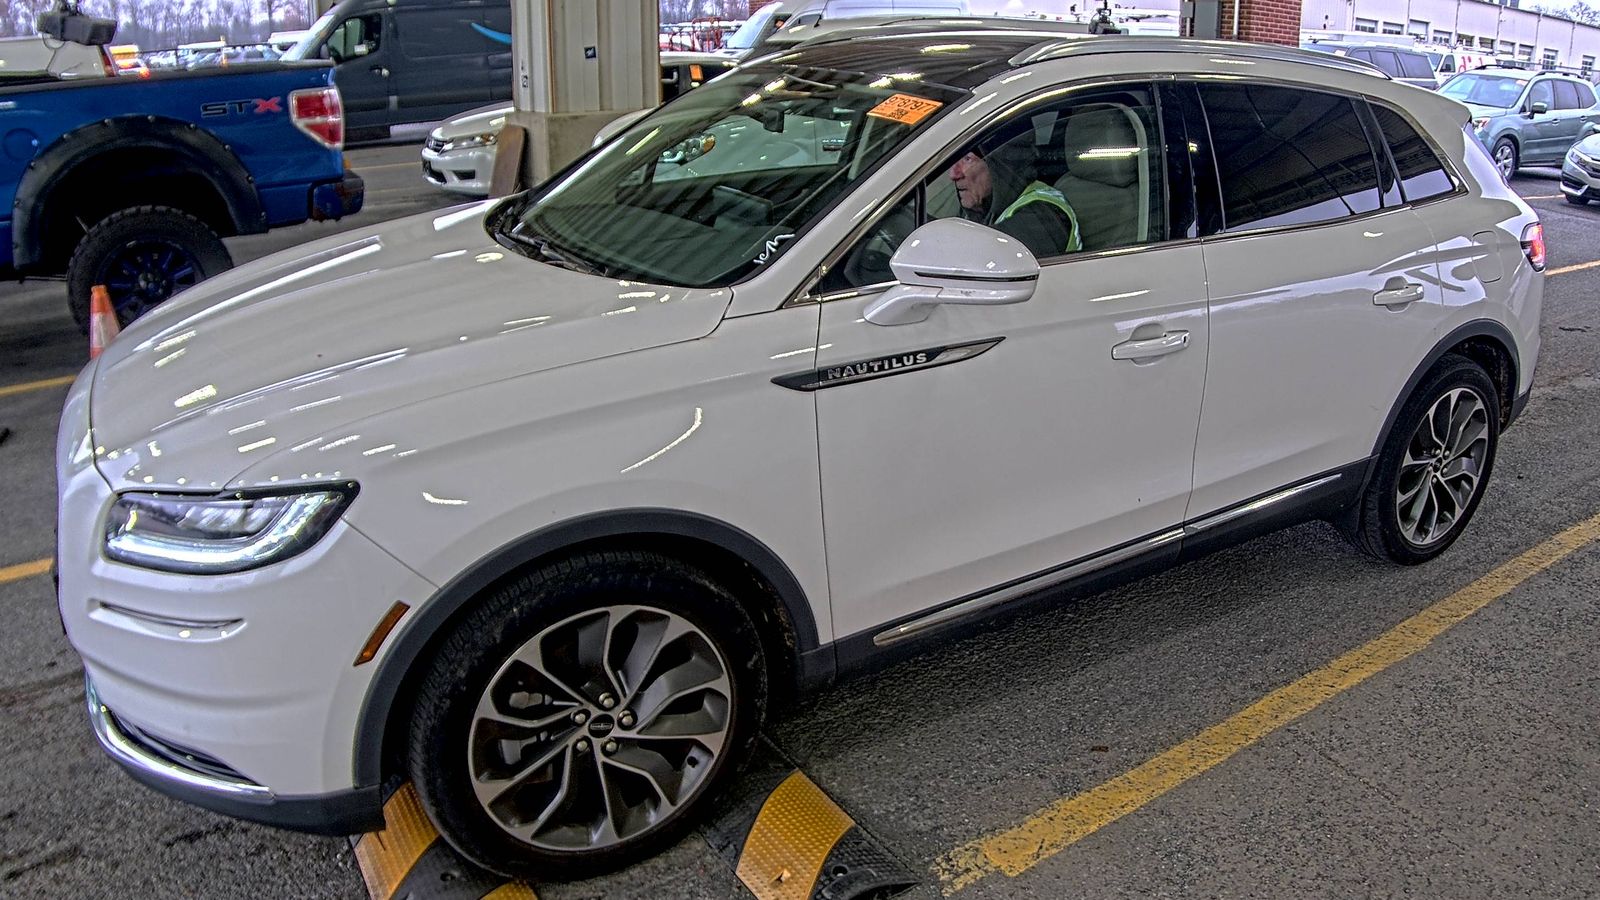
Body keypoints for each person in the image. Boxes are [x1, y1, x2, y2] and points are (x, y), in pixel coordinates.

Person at [947, 135, 1081, 259]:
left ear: (999, 165)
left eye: (967, 159)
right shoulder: (985, 207)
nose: (953, 174)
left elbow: (975, 260)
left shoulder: (1040, 217)